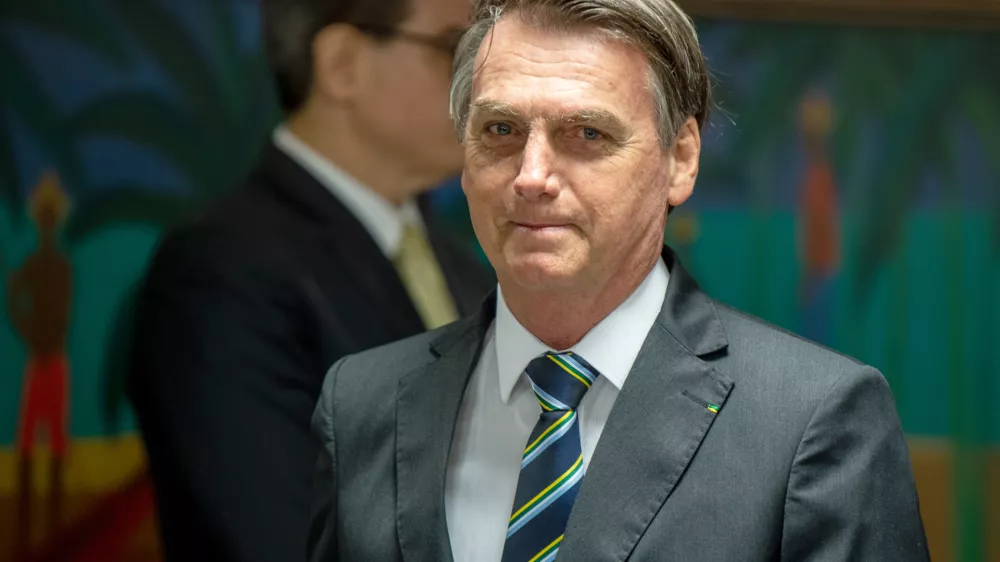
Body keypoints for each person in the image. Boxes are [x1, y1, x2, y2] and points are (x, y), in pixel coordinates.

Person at [308, 0, 930, 560]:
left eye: (586, 134)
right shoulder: (364, 403)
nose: (531, 175)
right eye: (501, 131)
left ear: (680, 159)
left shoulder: (812, 421)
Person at [127, 0, 492, 560]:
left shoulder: (469, 267)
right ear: (342, 63)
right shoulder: (218, 274)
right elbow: (282, 538)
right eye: (455, 50)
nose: (487, 84)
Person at [6, 172, 73, 559]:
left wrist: (27, 324)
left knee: (52, 447)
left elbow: (54, 317)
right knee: (31, 448)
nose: (47, 224)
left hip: (50, 363)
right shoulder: (46, 265)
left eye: (50, 218)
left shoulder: (56, 267)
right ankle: (31, 528)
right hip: (44, 363)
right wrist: (21, 314)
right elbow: (17, 306)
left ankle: (48, 526)